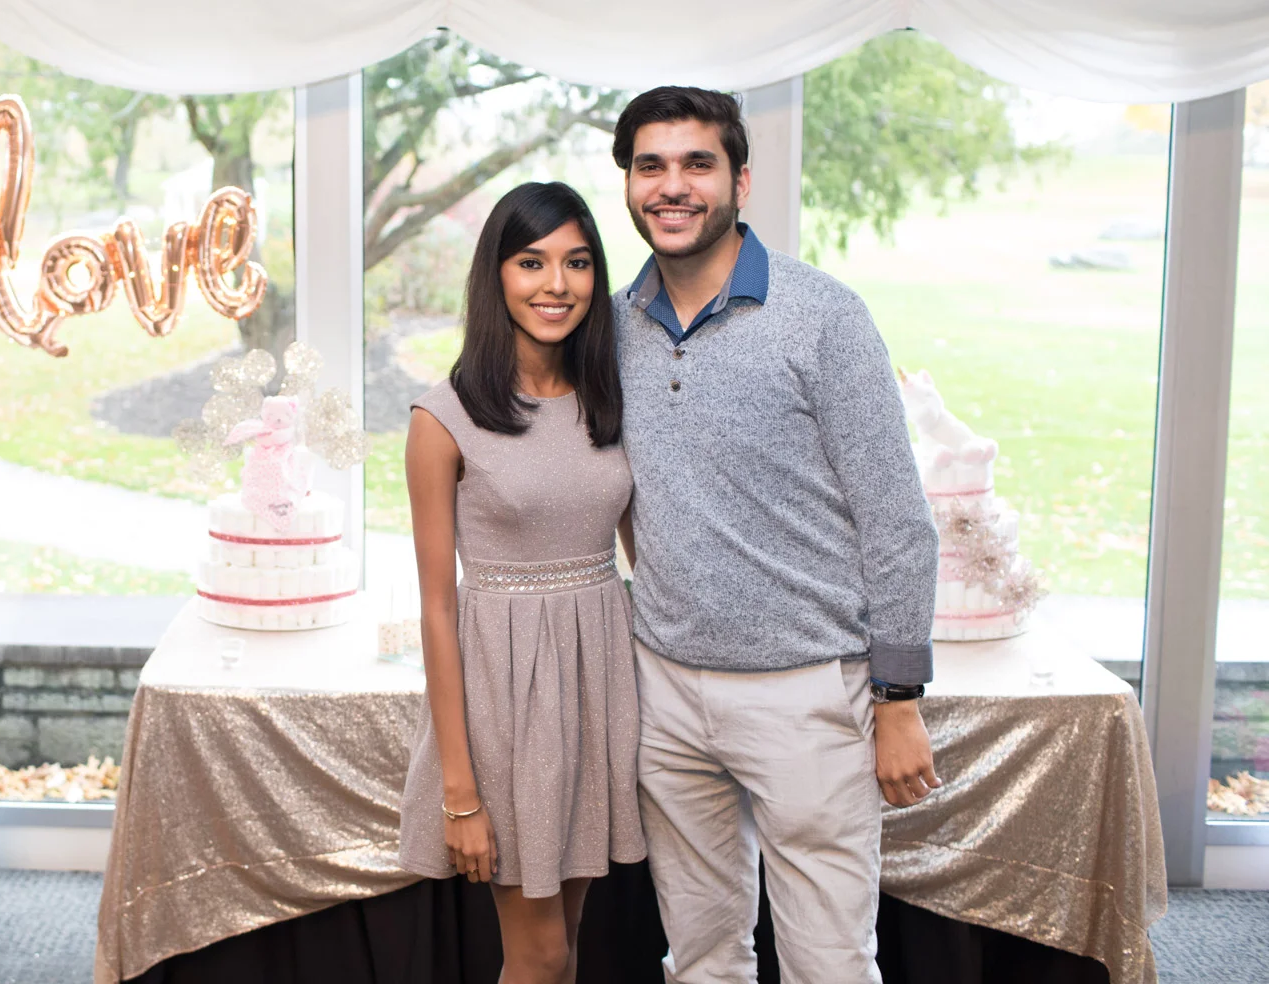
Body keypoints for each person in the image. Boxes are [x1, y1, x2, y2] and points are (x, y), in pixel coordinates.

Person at [611, 85, 942, 983]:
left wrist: (898, 697)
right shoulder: (615, 324)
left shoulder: (823, 316)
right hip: (664, 689)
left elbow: (896, 518)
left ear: (740, 181)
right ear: (630, 183)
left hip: (807, 694)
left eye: (698, 164)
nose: (672, 186)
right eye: (650, 166)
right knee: (701, 957)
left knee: (829, 962)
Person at [399, 181, 643, 984]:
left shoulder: (610, 399)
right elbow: (437, 609)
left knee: (564, 946)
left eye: (578, 262)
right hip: (506, 702)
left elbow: (645, 557)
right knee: (538, 956)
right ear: (495, 275)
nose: (557, 284)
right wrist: (459, 793)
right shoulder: (443, 419)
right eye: (531, 262)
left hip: (598, 691)